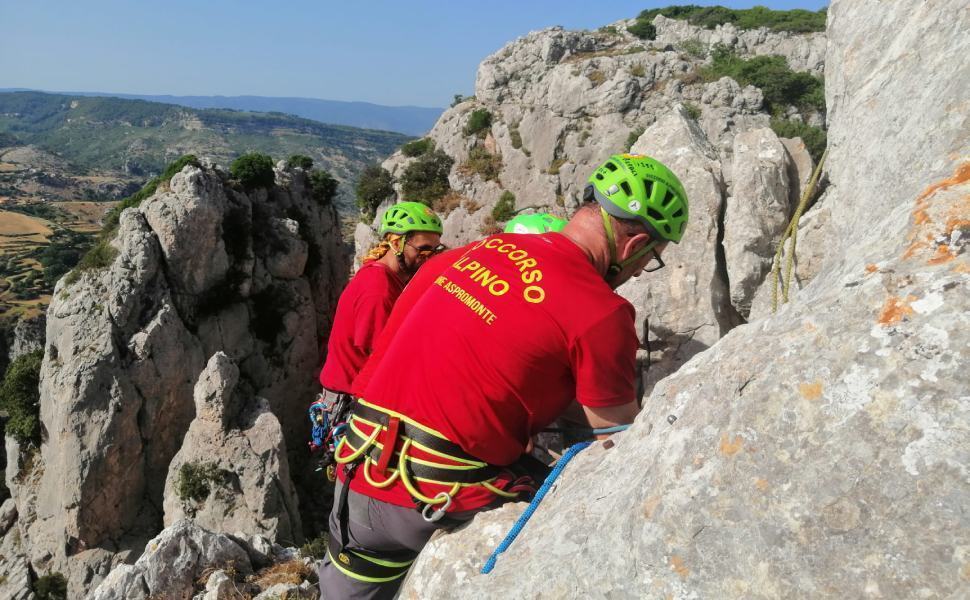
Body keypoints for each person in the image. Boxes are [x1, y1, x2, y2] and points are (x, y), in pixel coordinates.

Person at [319, 154, 689, 599]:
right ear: (635, 246)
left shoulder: (466, 253)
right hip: (430, 495)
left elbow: (402, 354)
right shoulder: (602, 313)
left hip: (355, 471)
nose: (636, 274)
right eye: (650, 262)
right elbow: (615, 447)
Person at [309, 201, 443, 470]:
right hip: (352, 403)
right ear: (396, 242)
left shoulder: (388, 278)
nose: (428, 256)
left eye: (435, 249)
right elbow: (383, 357)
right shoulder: (378, 289)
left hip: (352, 396)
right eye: (423, 249)